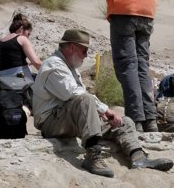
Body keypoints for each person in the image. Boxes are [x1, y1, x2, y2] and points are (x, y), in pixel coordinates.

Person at [32, 29, 173, 178]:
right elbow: (74, 94)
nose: (86, 55)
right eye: (84, 50)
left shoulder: (71, 68)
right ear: (72, 47)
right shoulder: (54, 65)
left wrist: (103, 114)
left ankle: (138, 158)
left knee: (123, 121)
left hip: (70, 119)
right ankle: (92, 155)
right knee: (85, 100)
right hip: (51, 123)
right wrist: (104, 110)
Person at [85, 0, 160, 132]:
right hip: (147, 17)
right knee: (142, 65)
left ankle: (135, 120)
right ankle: (151, 120)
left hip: (124, 15)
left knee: (128, 65)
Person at [0, 13, 42, 81]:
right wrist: (48, 72)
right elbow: (36, 62)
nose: (27, 37)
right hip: (19, 78)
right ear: (21, 28)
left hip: (3, 78)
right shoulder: (22, 39)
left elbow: (12, 61)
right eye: (28, 34)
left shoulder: (1, 41)